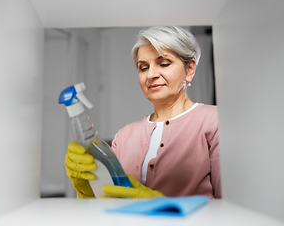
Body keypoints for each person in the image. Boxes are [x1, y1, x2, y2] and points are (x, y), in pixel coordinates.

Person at [65, 26, 221, 199]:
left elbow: (232, 208)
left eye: (163, 63)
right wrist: (87, 188)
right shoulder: (124, 136)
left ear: (190, 69)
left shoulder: (215, 122)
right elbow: (109, 201)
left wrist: (161, 207)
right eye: (143, 67)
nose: (151, 74)